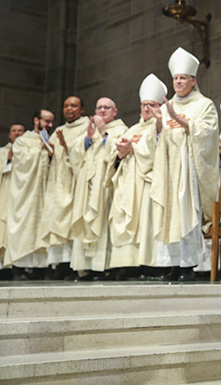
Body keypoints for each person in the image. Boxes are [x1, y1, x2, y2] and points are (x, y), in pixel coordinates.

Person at [151, 47, 219, 281]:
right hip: (169, 169)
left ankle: (190, 265)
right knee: (170, 213)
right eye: (176, 79)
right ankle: (172, 265)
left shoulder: (204, 105)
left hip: (190, 171)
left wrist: (178, 118)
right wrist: (160, 124)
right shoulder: (164, 108)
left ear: (193, 81)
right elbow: (157, 139)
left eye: (182, 78)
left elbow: (208, 134)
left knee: (186, 211)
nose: (178, 82)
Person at [108, 74, 168, 275]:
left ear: (159, 106)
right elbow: (117, 154)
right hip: (127, 182)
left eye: (151, 104)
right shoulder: (133, 128)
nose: (146, 109)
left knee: (146, 223)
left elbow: (157, 149)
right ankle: (126, 264)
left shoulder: (159, 125)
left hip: (146, 182)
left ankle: (148, 265)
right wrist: (120, 152)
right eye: (143, 105)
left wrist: (134, 150)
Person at [70, 97, 128, 278]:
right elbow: (75, 155)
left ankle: (104, 267)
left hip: (106, 185)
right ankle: (86, 267)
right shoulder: (90, 131)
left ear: (115, 111)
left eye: (106, 108)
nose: (102, 111)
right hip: (87, 186)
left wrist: (104, 135)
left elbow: (119, 155)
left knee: (102, 222)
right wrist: (88, 138)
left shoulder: (121, 129)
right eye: (99, 108)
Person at [40, 96, 89, 278]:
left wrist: (66, 147)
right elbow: (50, 157)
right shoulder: (58, 130)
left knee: (71, 223)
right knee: (57, 222)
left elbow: (85, 154)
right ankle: (59, 266)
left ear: (82, 109)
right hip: (58, 185)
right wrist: (49, 153)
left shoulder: (86, 127)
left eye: (74, 106)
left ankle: (72, 266)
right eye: (66, 105)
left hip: (75, 185)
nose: (69, 109)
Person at [4, 110, 54, 279]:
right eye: (46, 121)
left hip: (44, 195)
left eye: (51, 122)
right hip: (26, 195)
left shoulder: (51, 140)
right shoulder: (23, 141)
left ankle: (40, 268)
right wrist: (39, 150)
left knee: (41, 228)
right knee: (25, 228)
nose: (49, 125)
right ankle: (20, 267)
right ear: (36, 120)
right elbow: (21, 162)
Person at [0, 122, 27, 269]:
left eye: (20, 131)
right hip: (5, 193)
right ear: (9, 134)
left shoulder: (30, 151)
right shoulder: (2, 152)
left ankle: (19, 265)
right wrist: (8, 160)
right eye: (14, 131)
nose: (17, 133)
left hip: (22, 197)